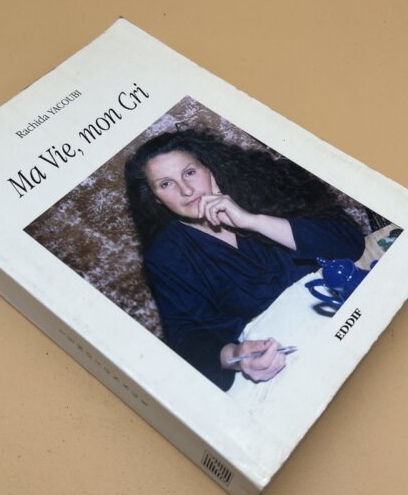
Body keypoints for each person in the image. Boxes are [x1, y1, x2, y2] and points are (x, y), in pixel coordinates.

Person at [124, 127, 365, 391]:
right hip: (281, 355)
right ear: (156, 198)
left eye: (190, 172)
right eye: (166, 184)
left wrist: (253, 221)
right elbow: (186, 338)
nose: (186, 190)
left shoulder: (259, 188)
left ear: (209, 167)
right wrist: (237, 356)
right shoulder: (165, 256)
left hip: (348, 317)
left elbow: (349, 243)